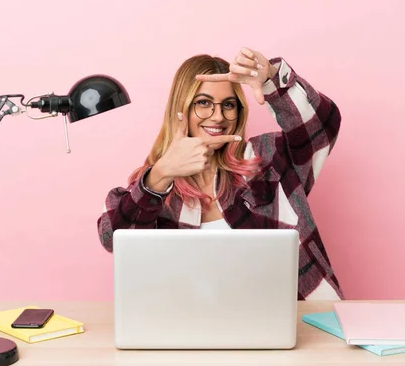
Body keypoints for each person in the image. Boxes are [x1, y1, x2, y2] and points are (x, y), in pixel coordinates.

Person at [97, 47, 343, 300]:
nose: (218, 116)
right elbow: (113, 239)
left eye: (228, 104)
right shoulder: (153, 185)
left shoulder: (269, 159)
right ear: (180, 109)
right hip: (197, 328)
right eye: (203, 103)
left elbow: (323, 127)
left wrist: (271, 78)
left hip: (302, 321)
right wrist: (161, 174)